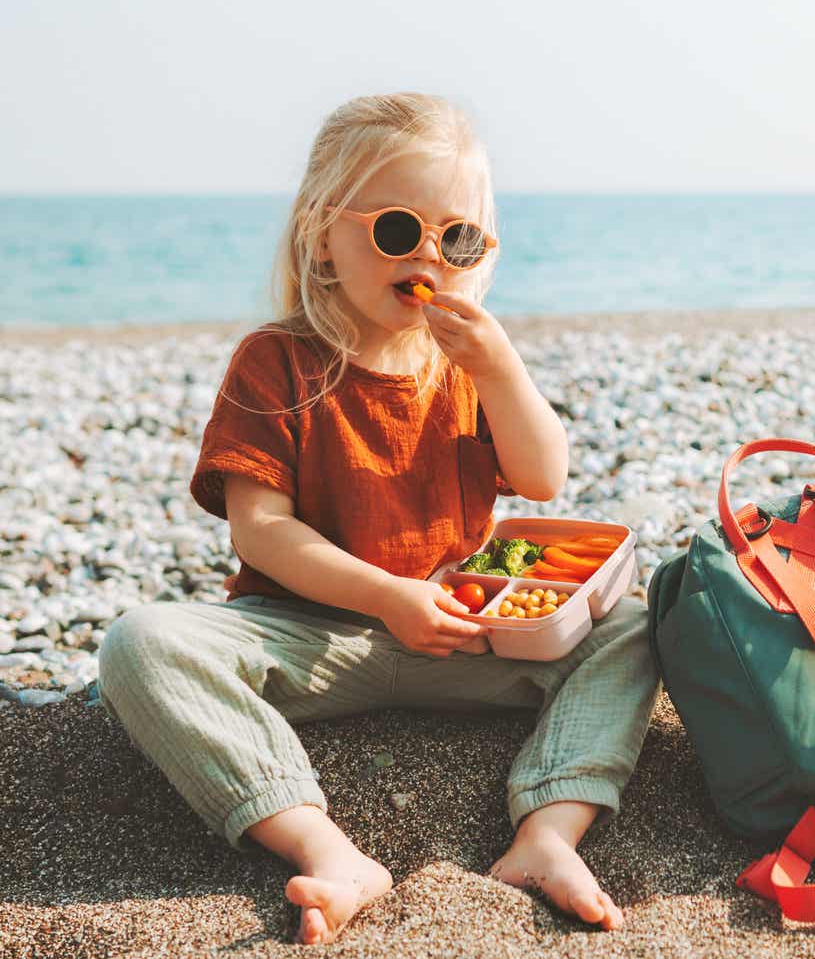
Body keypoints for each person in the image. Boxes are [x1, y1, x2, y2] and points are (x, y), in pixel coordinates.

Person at [95, 92, 660, 944]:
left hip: (463, 633)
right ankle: (324, 848)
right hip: (305, 638)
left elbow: (545, 476)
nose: (430, 255)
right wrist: (388, 594)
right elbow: (262, 531)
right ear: (325, 232)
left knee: (635, 623)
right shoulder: (277, 360)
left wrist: (503, 368)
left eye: (457, 237)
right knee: (142, 641)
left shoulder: (466, 365)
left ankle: (549, 830)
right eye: (399, 231)